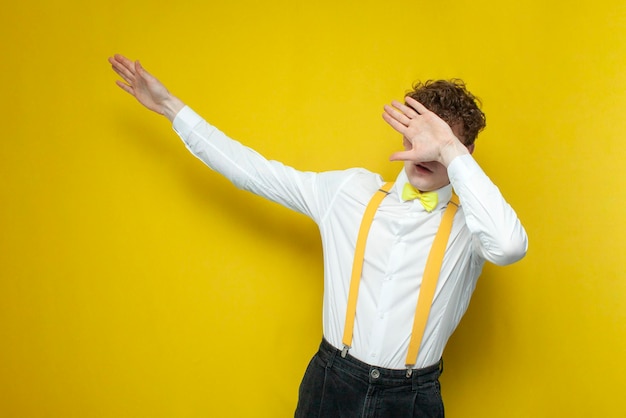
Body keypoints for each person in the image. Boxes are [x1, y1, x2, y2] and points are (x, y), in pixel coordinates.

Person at [108, 54, 528, 418]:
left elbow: (510, 247)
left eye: (438, 143)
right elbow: (252, 171)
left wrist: (449, 151)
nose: (422, 150)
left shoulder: (476, 223)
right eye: (416, 134)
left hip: (413, 399)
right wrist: (169, 106)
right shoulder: (348, 192)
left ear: (464, 154)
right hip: (332, 383)